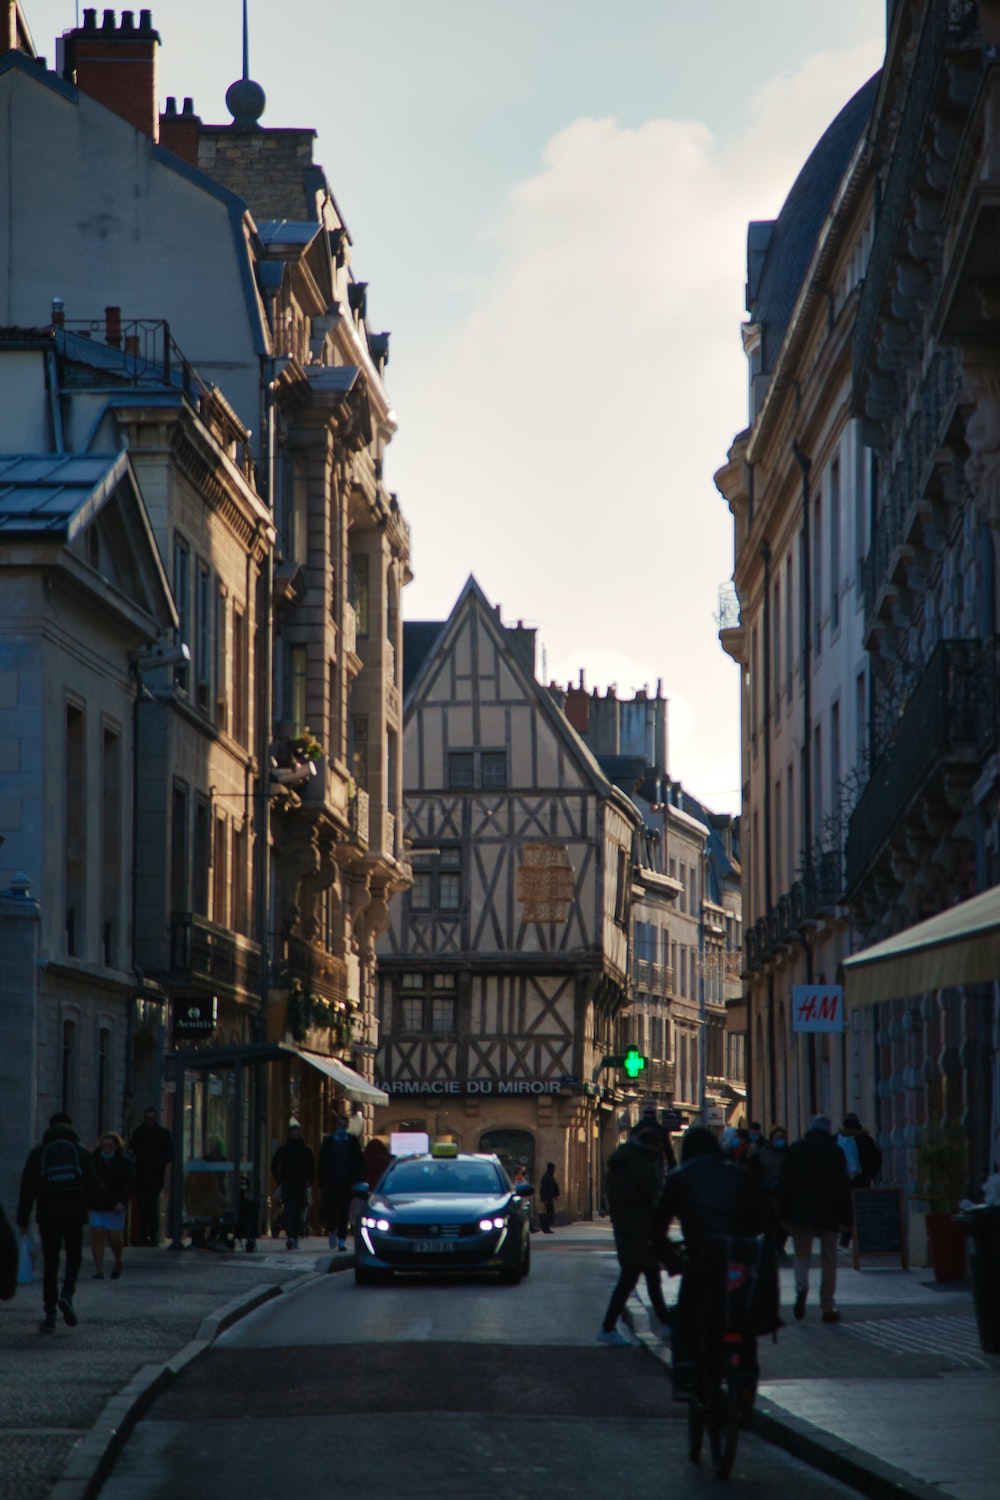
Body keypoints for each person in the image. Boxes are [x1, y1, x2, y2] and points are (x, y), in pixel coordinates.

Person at [654, 1125, 775, 1401]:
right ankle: (745, 1381)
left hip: (701, 1260)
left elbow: (657, 1227)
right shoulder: (740, 1174)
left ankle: (685, 1376)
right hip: (737, 1260)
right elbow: (761, 1218)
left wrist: (671, 1258)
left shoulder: (680, 1177)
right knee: (742, 1320)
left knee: (684, 1316)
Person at [16, 1110, 97, 1333]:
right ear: (70, 1127)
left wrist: (23, 1219)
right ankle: (67, 1294)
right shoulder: (80, 1152)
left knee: (51, 1262)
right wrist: (84, 1204)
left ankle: (50, 1313)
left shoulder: (39, 1153)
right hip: (74, 1214)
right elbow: (93, 1183)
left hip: (48, 1215)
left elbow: (27, 1189)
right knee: (74, 1256)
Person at [597, 1126, 673, 1346]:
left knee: (647, 1278)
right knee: (633, 1280)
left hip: (627, 1229)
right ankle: (608, 1327)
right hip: (642, 1229)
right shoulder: (642, 1166)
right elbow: (656, 1197)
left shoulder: (620, 1163)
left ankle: (666, 1322)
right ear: (652, 1146)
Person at [779, 1114, 853, 1323]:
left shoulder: (796, 1149)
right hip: (829, 1212)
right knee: (829, 1258)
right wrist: (847, 1218)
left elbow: (785, 1184)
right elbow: (843, 1187)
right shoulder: (835, 1152)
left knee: (801, 1254)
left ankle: (801, 1287)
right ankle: (827, 1306)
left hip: (801, 1213)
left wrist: (783, 1214)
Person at [89, 1132, 135, 1280]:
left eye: (110, 1145)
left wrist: (122, 1202)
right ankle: (99, 1271)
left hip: (115, 1204)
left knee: (114, 1238)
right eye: (104, 1145)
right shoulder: (93, 1160)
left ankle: (118, 1261)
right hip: (97, 1203)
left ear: (116, 1146)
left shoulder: (124, 1163)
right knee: (97, 1235)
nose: (107, 1148)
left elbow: (129, 1184)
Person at [127, 1106, 174, 1247]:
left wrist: (160, 1163)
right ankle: (142, 1236)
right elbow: (132, 1150)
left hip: (154, 1175)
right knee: (142, 1206)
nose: (149, 1121)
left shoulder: (163, 1134)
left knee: (152, 1206)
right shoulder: (138, 1133)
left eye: (152, 1118)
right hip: (141, 1175)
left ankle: (152, 1235)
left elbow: (170, 1153)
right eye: (147, 1118)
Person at [318, 1114, 365, 1251]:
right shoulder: (328, 1142)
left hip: (346, 1184)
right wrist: (321, 1182)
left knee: (344, 1211)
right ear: (336, 1126)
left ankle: (342, 1239)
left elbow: (359, 1163)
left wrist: (356, 1180)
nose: (342, 1128)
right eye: (340, 1125)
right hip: (331, 1183)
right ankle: (332, 1230)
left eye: (344, 1126)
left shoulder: (352, 1142)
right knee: (331, 1210)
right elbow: (322, 1163)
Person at [271, 1120, 315, 1249]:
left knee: (297, 1211)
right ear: (290, 1135)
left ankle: (294, 1236)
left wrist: (309, 1182)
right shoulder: (286, 1150)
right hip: (289, 1184)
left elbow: (311, 1167)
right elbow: (274, 1166)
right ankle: (291, 1236)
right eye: (293, 1134)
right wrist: (280, 1180)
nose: (295, 1137)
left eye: (297, 1135)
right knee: (291, 1210)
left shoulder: (305, 1151)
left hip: (299, 1185)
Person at [185, 1136, 232, 1249]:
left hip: (193, 1205)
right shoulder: (209, 1175)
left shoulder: (196, 1171)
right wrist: (227, 1202)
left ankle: (200, 1238)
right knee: (227, 1214)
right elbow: (214, 1194)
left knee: (217, 1210)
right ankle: (220, 1239)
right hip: (204, 1206)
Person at [838, 1112, 882, 1188]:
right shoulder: (866, 1139)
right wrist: (870, 1174)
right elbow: (877, 1159)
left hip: (842, 1181)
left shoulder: (837, 1139)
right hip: (862, 1180)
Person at [637, 1106, 677, 1171]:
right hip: (656, 1163)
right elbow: (668, 1149)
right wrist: (673, 1166)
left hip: (638, 1165)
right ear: (655, 1115)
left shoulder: (637, 1128)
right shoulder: (660, 1129)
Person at [511, 1165, 538, 1232]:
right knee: (525, 1214)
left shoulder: (522, 1178)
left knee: (527, 1214)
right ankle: (530, 1227)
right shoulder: (518, 1178)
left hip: (525, 1198)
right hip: (522, 1199)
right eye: (522, 1171)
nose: (524, 1172)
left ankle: (531, 1227)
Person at [538, 1161, 560, 1233]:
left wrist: (555, 1195)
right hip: (547, 1198)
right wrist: (544, 1198)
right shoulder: (546, 1177)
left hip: (550, 1197)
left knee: (550, 1212)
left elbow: (554, 1186)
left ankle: (547, 1226)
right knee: (549, 1213)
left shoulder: (550, 1177)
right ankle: (545, 1226)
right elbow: (544, 1188)